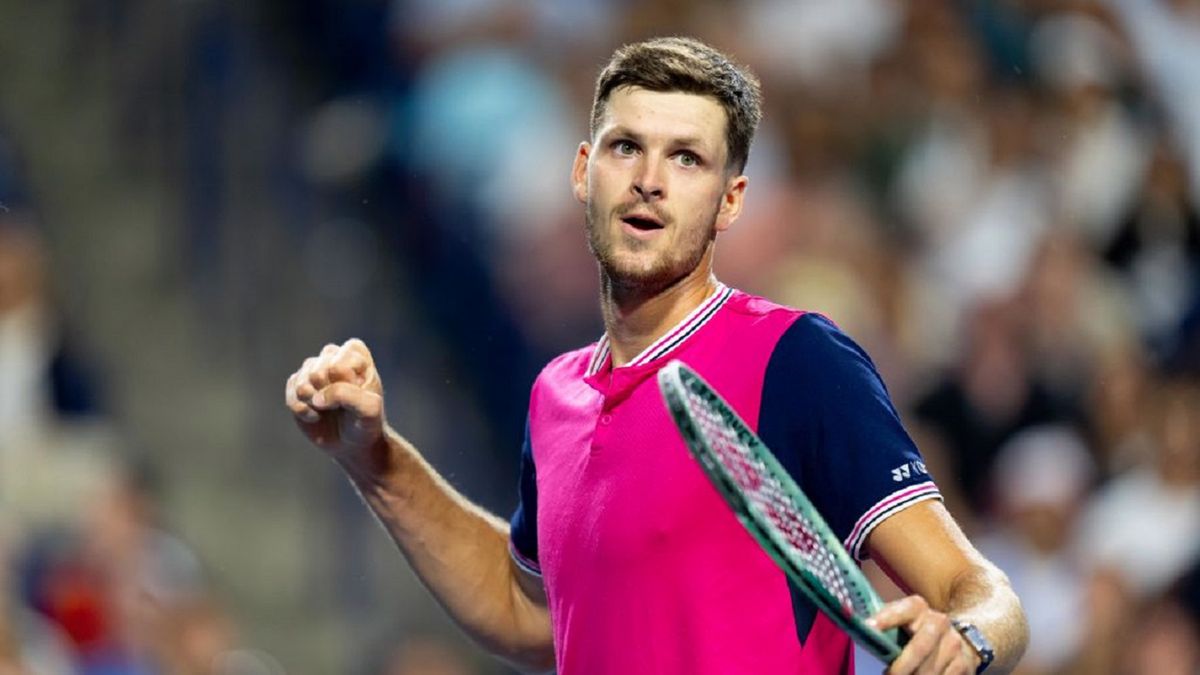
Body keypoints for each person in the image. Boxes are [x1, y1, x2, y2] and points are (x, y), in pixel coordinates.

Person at [285, 37, 1028, 674]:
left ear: (730, 201)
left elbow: (981, 591)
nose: (649, 180)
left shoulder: (797, 359)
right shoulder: (554, 394)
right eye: (626, 147)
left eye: (687, 159)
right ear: (584, 171)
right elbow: (529, 612)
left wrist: (965, 635)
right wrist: (373, 458)